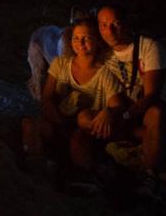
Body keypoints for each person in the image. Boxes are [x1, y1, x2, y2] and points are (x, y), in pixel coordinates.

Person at [35, 17, 124, 173]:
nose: (80, 43)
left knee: (78, 138)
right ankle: (35, 167)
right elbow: (46, 97)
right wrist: (58, 120)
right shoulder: (60, 64)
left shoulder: (104, 73)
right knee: (32, 125)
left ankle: (84, 176)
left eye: (87, 38)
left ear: (97, 41)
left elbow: (116, 104)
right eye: (76, 38)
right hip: (60, 119)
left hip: (84, 128)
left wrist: (108, 111)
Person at [97, 5, 166, 176]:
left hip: (148, 109)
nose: (109, 31)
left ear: (126, 23)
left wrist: (124, 116)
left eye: (115, 24)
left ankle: (151, 172)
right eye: (103, 25)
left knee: (155, 113)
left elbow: (152, 96)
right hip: (123, 108)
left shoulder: (148, 48)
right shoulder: (102, 53)